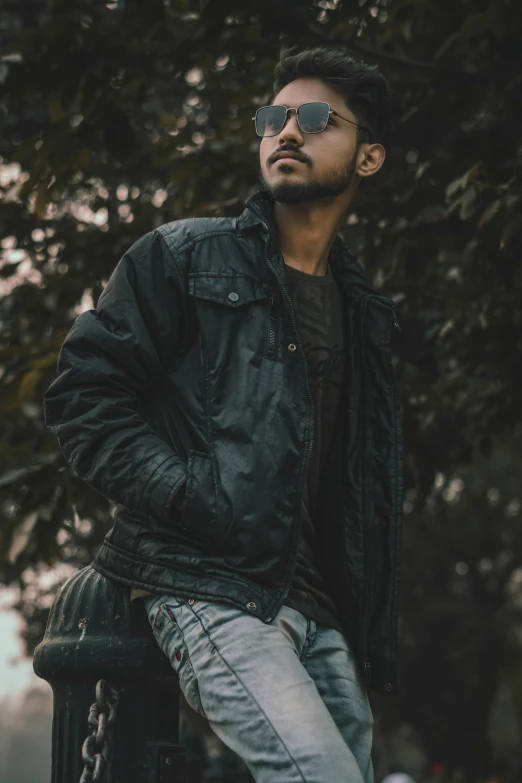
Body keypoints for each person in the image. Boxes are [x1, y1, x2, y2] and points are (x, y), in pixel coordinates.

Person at [43, 44, 403, 783]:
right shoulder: (182, 256)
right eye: (274, 118)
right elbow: (84, 398)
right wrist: (188, 495)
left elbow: (353, 483)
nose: (287, 132)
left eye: (315, 118)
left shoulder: (366, 315)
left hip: (320, 610)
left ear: (369, 159)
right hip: (209, 584)